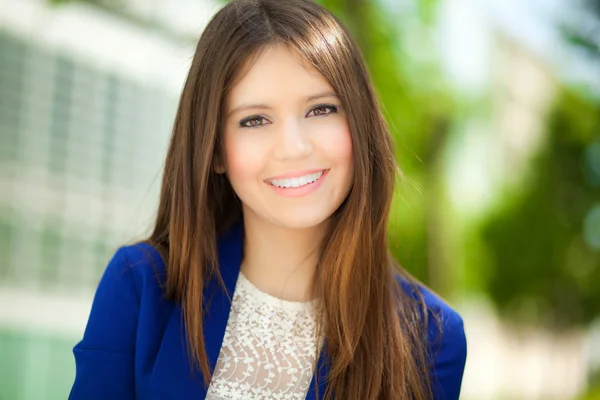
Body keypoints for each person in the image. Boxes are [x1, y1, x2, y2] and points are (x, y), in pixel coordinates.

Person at [69, 0, 467, 399]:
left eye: (321, 109)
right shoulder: (141, 288)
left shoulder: (431, 336)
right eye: (254, 120)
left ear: (359, 124)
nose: (293, 147)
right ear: (216, 150)